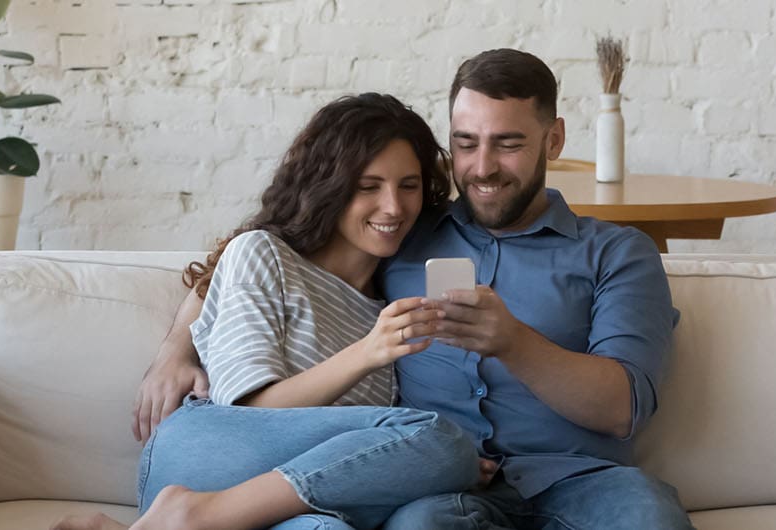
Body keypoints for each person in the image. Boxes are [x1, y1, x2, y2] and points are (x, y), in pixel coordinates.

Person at [129, 49, 692, 530]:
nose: (483, 167)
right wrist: (176, 348)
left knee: (647, 516)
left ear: (555, 139)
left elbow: (623, 409)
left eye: (509, 143)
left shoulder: (618, 252)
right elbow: (259, 256)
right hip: (440, 490)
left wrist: (514, 343)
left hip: (577, 478)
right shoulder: (406, 231)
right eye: (466, 143)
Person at [56, 93, 489, 530]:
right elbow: (252, 408)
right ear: (330, 185)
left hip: (292, 507)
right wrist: (369, 353)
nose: (394, 207)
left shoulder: (393, 297)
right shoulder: (264, 255)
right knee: (440, 439)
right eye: (368, 186)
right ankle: (189, 514)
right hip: (210, 456)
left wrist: (416, 464)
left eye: (408, 185)